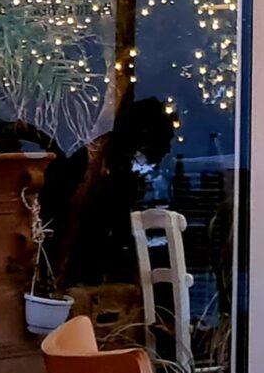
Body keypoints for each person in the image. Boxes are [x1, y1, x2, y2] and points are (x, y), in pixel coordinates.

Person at [39, 94, 177, 288]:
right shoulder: (99, 168)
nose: (168, 149)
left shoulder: (113, 166)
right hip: (78, 267)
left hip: (87, 264)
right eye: (164, 141)